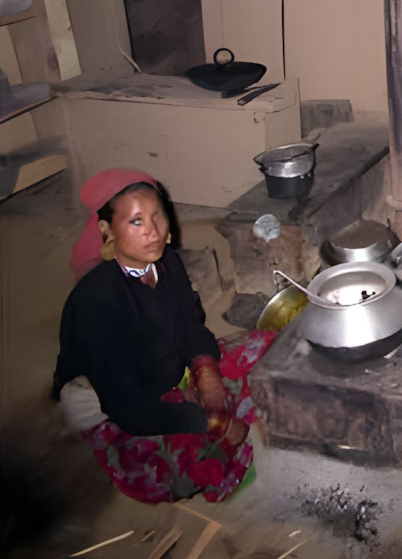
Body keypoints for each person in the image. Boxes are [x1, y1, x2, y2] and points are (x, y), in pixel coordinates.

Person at [53, 169, 275, 504]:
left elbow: (190, 326)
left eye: (158, 216)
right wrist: (209, 421)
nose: (153, 231)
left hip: (169, 370)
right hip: (116, 405)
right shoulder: (97, 301)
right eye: (137, 222)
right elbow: (126, 406)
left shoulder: (166, 263)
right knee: (192, 465)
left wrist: (206, 371)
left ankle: (202, 400)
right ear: (106, 231)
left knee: (270, 347)